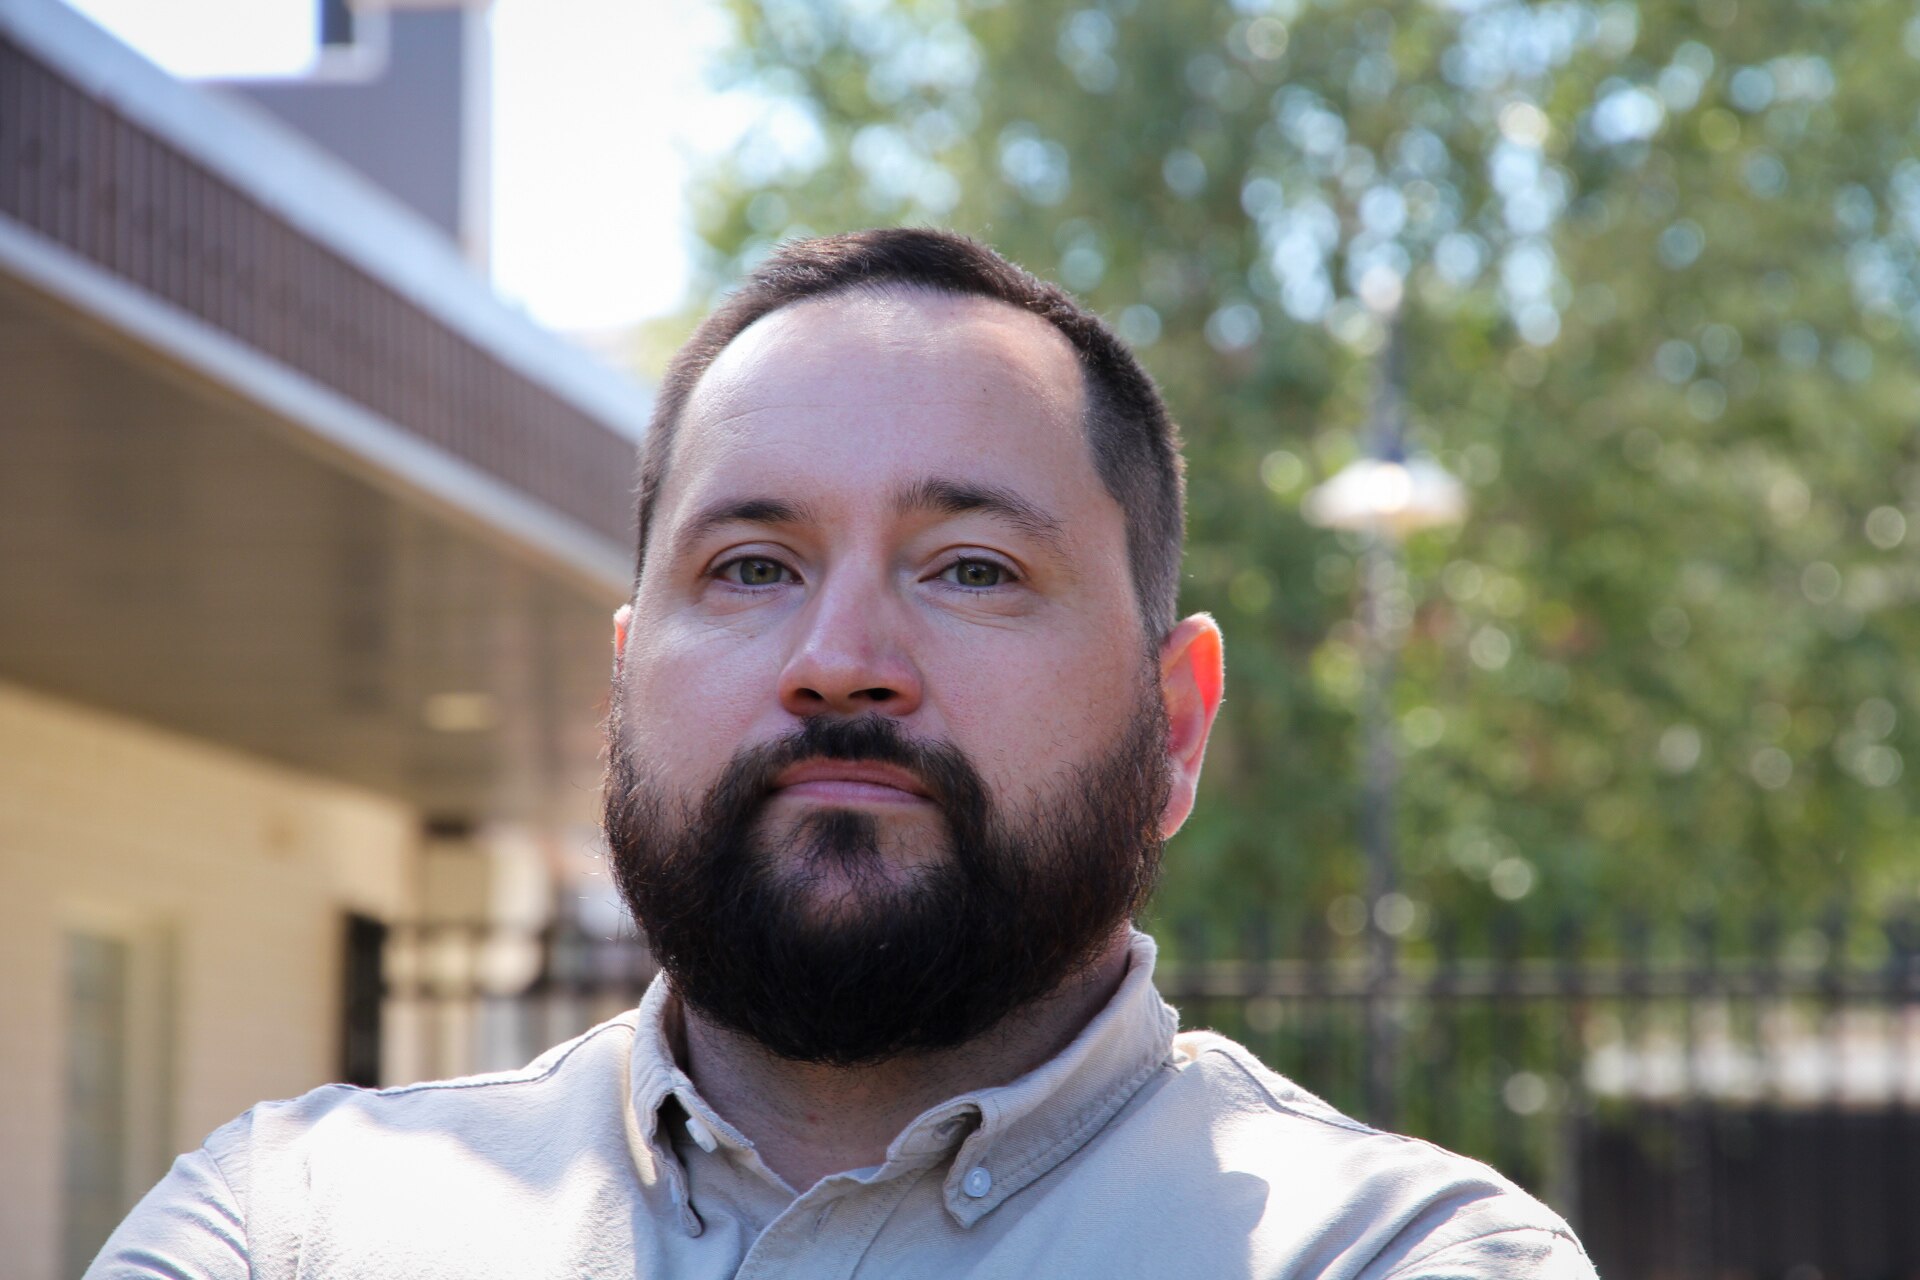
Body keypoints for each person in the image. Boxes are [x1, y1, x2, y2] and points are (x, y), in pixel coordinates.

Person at [89, 228, 1595, 1278]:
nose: (839, 661)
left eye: (973, 568)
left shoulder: (1403, 1257)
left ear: (1178, 726)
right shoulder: (285, 1230)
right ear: (627, 687)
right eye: (751, 568)